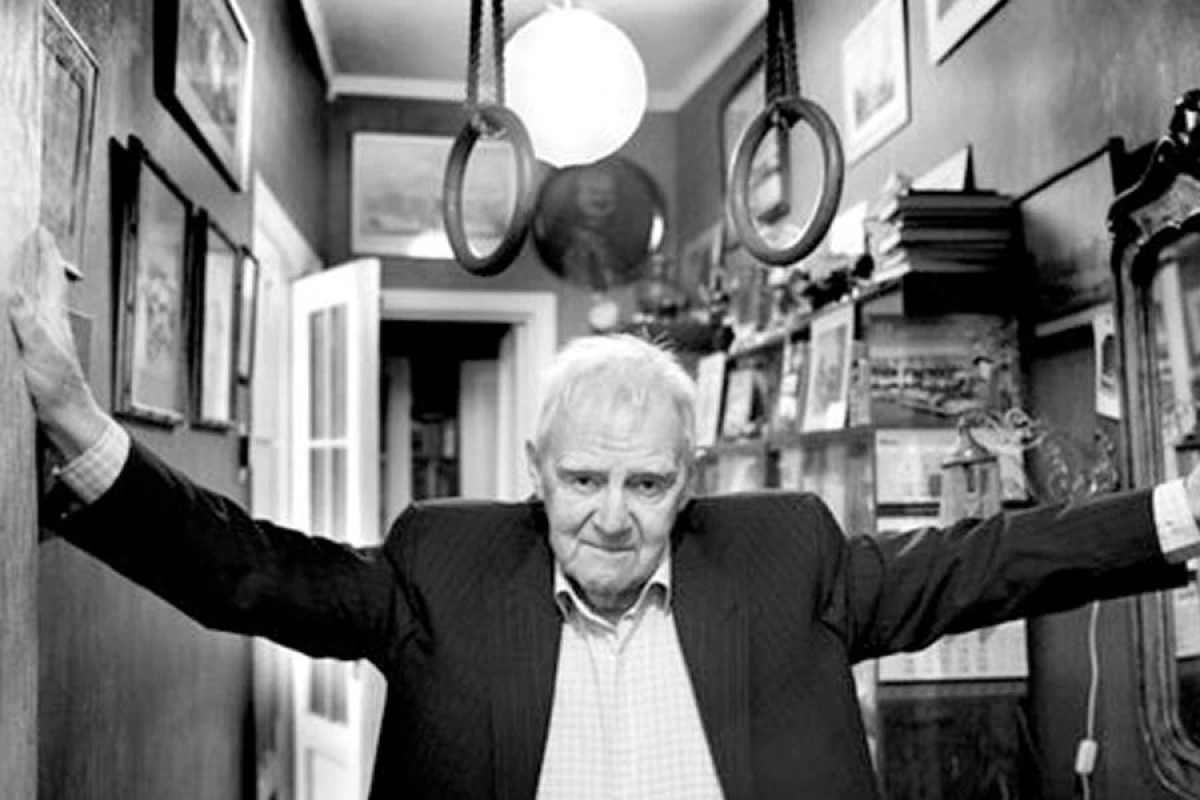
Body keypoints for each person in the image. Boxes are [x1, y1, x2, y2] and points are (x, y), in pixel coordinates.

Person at [8, 232, 1200, 799]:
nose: (614, 516)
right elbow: (251, 572)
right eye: (584, 480)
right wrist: (73, 418)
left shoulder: (786, 554)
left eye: (647, 483)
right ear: (538, 472)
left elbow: (990, 559)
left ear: (690, 480)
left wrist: (1185, 510)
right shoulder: (442, 563)